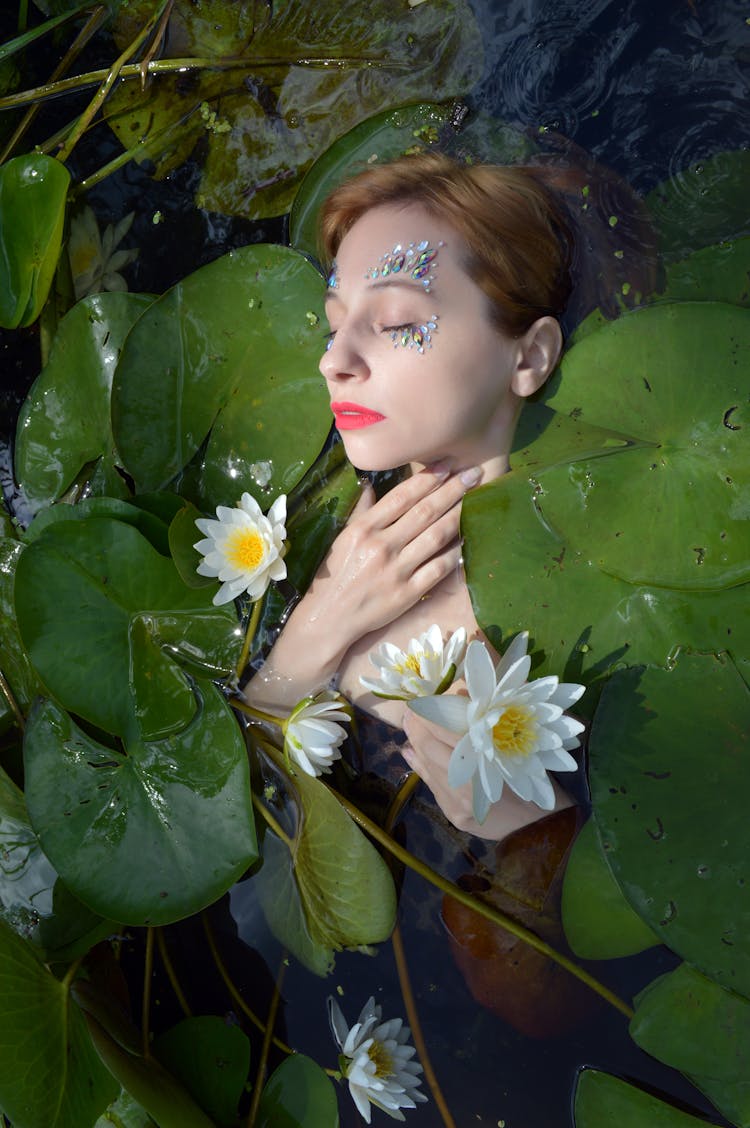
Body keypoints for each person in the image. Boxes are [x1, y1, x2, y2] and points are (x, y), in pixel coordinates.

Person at [243, 149, 640, 842]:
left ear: (529, 357)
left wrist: (537, 834)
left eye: (396, 322)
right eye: (335, 322)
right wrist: (309, 636)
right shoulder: (316, 515)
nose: (333, 360)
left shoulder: (602, 595)